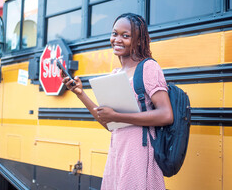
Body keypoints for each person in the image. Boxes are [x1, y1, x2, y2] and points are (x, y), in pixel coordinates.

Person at [62, 13, 173, 190]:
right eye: (115, 34)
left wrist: (118, 115)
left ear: (138, 40)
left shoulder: (148, 67)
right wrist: (80, 94)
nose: (117, 39)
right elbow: (109, 123)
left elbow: (166, 114)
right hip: (118, 152)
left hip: (140, 152)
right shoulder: (115, 74)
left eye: (125, 35)